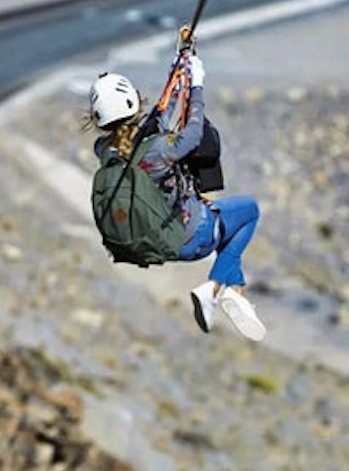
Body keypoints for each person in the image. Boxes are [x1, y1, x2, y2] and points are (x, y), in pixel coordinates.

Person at [84, 41, 266, 342]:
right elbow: (192, 135)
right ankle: (215, 286)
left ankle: (234, 291)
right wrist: (196, 86)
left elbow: (148, 129)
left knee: (228, 234)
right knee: (248, 212)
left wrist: (177, 77)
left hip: (163, 243)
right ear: (131, 102)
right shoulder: (156, 151)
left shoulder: (105, 151)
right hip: (195, 235)